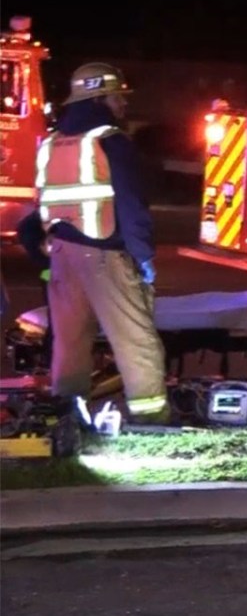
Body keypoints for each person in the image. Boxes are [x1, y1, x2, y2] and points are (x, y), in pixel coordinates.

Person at [18, 62, 168, 423]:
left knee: (69, 344)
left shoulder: (52, 144)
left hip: (62, 256)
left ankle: (68, 417)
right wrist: (144, 257)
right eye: (118, 97)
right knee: (136, 341)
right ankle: (149, 421)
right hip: (105, 257)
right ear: (101, 97)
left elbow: (35, 214)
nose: (123, 104)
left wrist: (46, 260)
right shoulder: (110, 141)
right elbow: (132, 205)